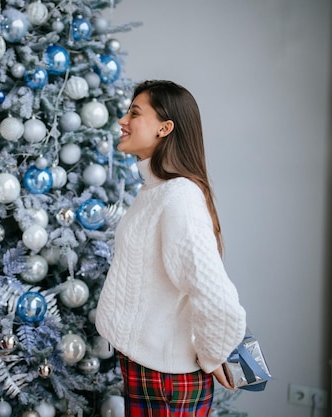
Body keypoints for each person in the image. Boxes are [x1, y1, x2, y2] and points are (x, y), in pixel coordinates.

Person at [95, 80, 246, 416]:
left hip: (167, 383)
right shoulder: (156, 191)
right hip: (148, 373)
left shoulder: (179, 197)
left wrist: (211, 354)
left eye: (134, 112)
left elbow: (216, 297)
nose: (122, 120)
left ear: (165, 128)